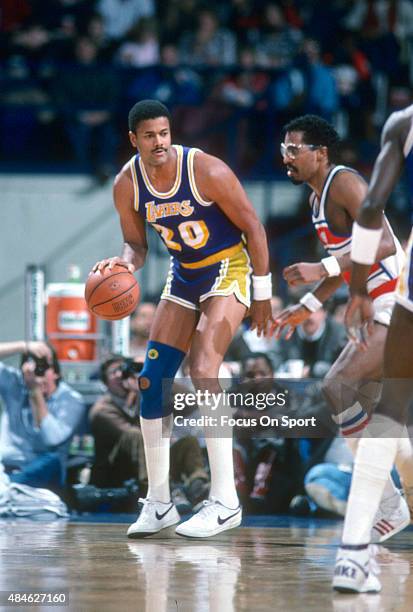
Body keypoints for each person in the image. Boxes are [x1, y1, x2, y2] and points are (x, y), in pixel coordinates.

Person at [93, 99, 272, 538]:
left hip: (229, 265)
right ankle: (159, 503)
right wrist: (119, 268)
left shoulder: (205, 169)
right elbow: (136, 245)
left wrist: (263, 294)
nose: (159, 142)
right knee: (152, 380)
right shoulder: (126, 183)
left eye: (164, 133)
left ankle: (226, 501)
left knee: (204, 368)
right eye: (150, 136)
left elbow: (253, 226)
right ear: (133, 139)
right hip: (185, 274)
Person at [271, 114, 413, 545]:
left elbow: (384, 243)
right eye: (283, 150)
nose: (286, 158)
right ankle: (396, 501)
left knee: (339, 386)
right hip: (374, 302)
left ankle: (390, 506)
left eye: (295, 149)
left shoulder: (343, 181)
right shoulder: (317, 201)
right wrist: (310, 302)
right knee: (385, 416)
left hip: (394, 298)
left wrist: (321, 266)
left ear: (321, 152)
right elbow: (350, 260)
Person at [333, 103, 413, 592]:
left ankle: (352, 552)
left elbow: (369, 210)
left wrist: (358, 289)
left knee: (390, 408)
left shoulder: (403, 122)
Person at [0, 341, 85, 490]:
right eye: (34, 370)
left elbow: (51, 439)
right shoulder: (17, 383)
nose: (38, 375)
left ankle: (9, 488)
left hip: (44, 472)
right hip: (6, 466)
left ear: (56, 373)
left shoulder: (71, 399)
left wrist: (35, 392)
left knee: (52, 459)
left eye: (44, 368)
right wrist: (24, 346)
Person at [89, 355, 146, 488]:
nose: (120, 375)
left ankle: (197, 487)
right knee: (135, 435)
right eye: (114, 372)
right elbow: (133, 436)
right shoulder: (102, 410)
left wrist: (148, 383)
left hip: (140, 466)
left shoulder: (139, 399)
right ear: (105, 382)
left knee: (186, 442)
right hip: (113, 473)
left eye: (124, 369)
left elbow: (191, 405)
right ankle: (153, 491)